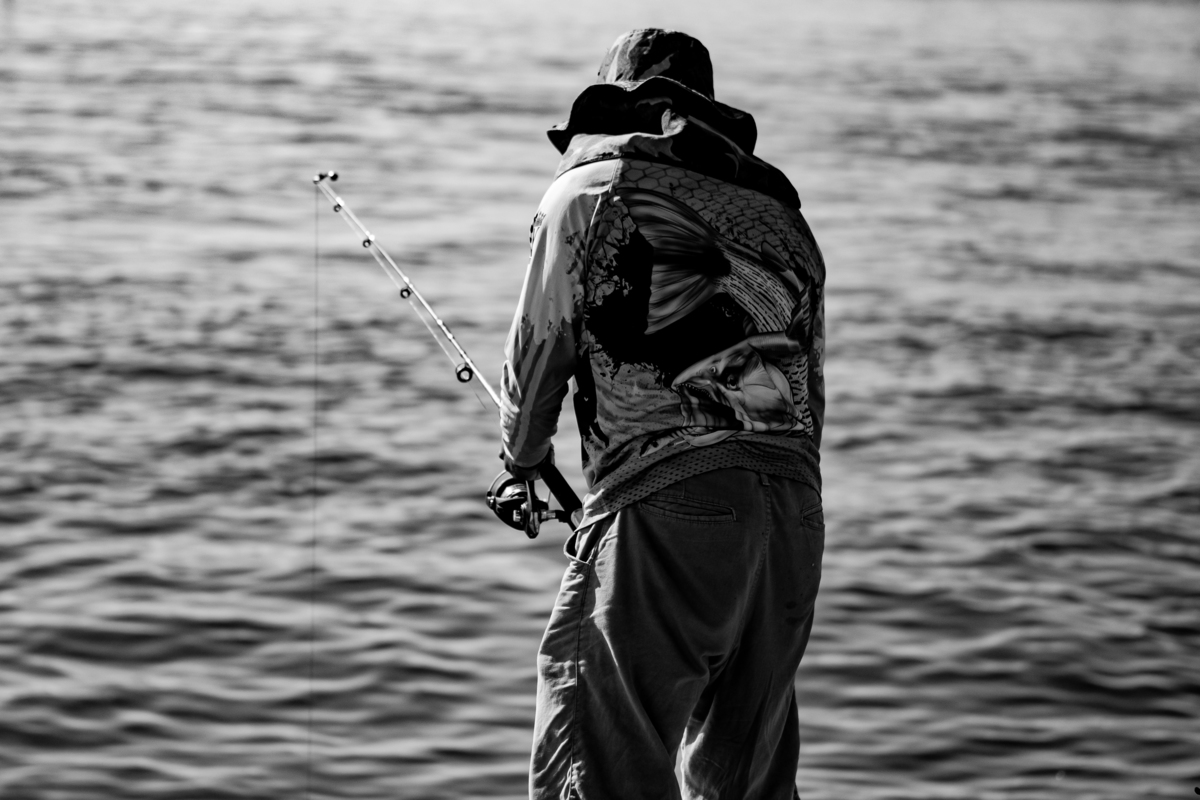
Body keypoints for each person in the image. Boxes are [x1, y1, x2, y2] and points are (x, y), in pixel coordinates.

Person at [499, 28, 826, 800]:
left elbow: (540, 353)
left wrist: (521, 461)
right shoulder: (788, 224)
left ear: (615, 104)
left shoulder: (587, 192)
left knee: (598, 768)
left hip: (670, 514)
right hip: (792, 523)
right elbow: (804, 398)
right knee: (747, 786)